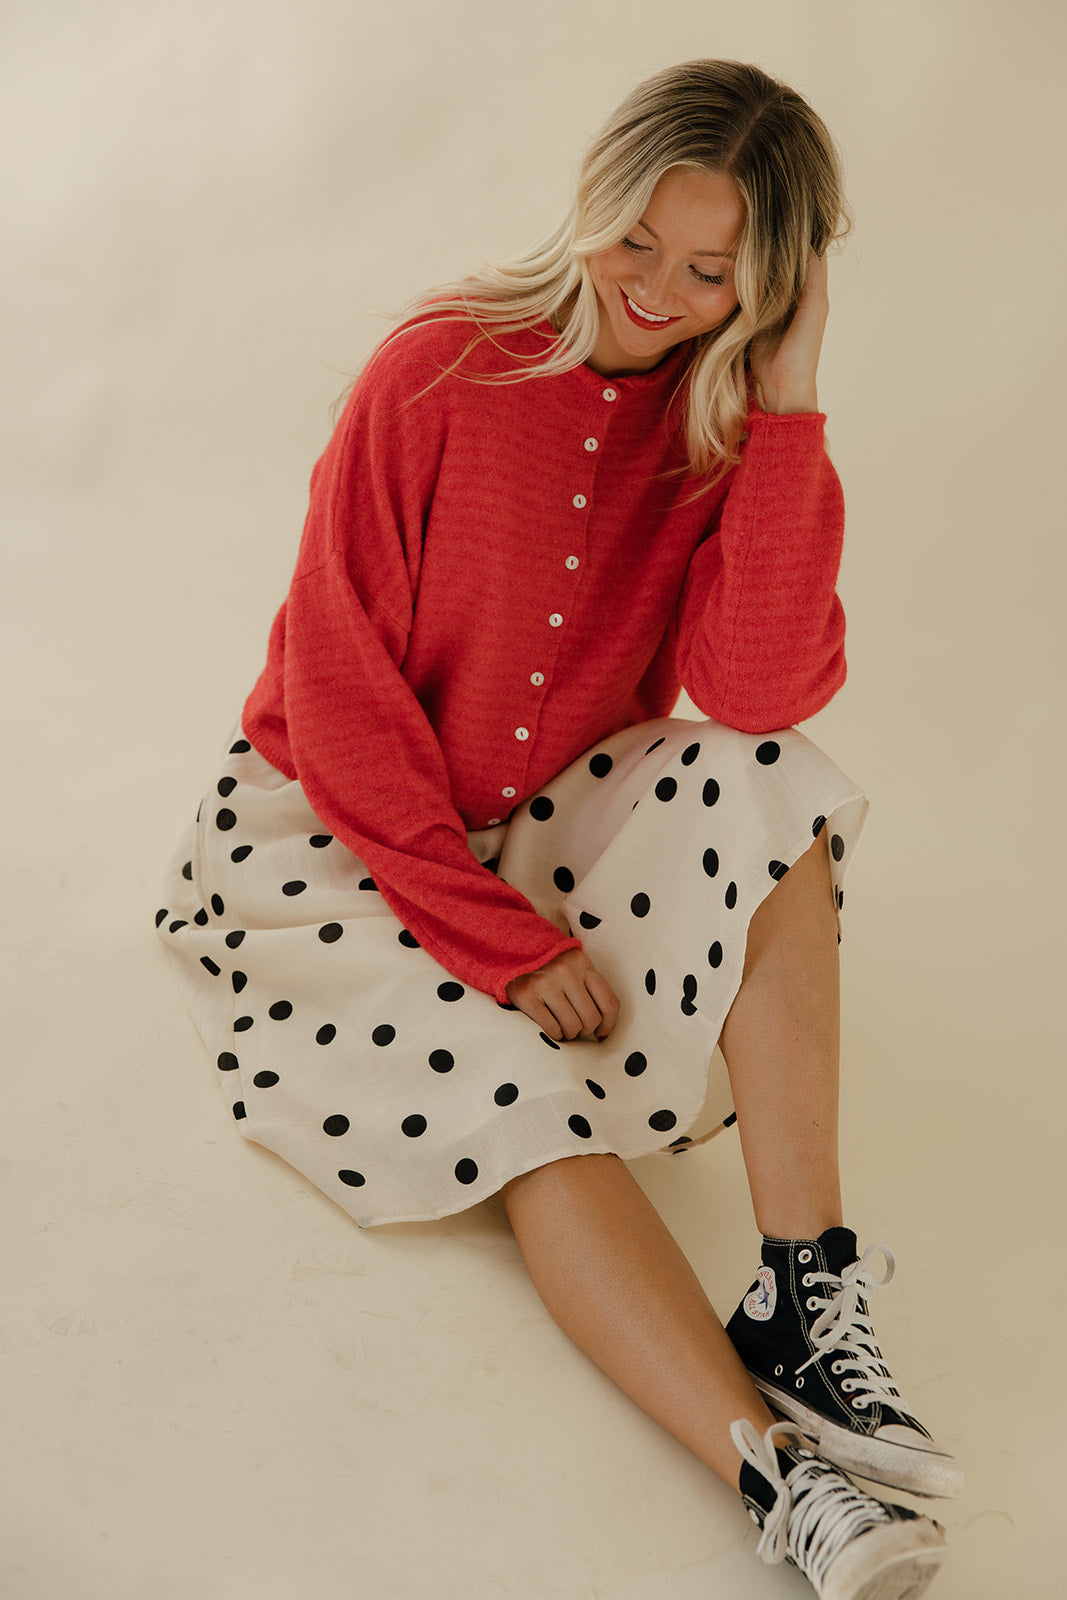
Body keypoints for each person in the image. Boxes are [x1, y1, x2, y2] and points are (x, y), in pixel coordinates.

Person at [156, 59, 959, 1599]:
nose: (658, 289)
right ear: (592, 208)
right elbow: (336, 698)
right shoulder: (440, 370)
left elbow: (754, 690)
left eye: (713, 270)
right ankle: (778, 1476)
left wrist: (785, 406)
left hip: (539, 818)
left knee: (785, 779)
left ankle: (805, 1289)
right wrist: (500, 944)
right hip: (329, 834)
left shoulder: (730, 429)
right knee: (527, 1096)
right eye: (636, 241)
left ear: (771, 284)